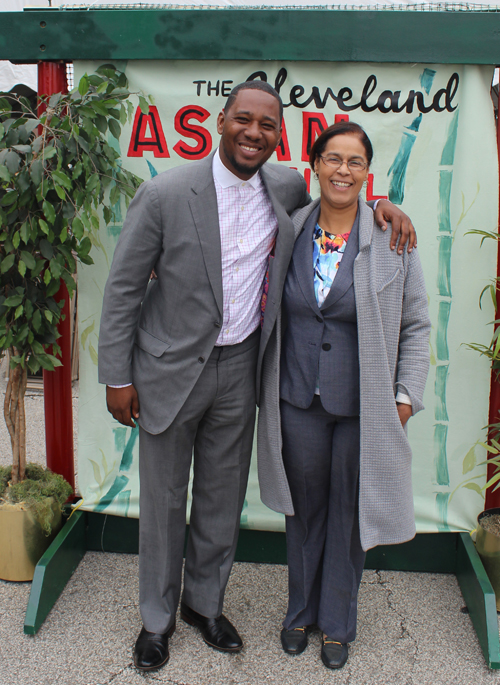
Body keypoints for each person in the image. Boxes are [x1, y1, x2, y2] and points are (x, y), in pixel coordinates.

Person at [98, 82, 416, 673]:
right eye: (243, 120)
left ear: (279, 136)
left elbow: (340, 197)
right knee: (165, 501)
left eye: (267, 125)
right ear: (221, 121)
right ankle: (156, 620)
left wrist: (384, 205)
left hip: (244, 368)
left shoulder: (286, 187)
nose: (253, 133)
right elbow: (121, 290)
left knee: (221, 499)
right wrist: (117, 375)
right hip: (170, 371)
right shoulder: (166, 192)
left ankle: (204, 605)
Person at [256, 121, 431, 670]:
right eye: (333, 158)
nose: (343, 170)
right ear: (315, 165)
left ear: (367, 174)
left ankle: (337, 624)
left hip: (364, 407)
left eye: (355, 162)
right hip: (297, 399)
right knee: (302, 511)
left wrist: (404, 396)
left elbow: (417, 325)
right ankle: (299, 614)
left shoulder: (391, 237)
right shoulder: (290, 226)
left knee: (349, 514)